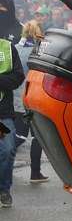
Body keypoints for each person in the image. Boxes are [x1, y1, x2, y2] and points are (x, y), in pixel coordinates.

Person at [15, 20, 48, 183]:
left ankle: (5, 165)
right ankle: (35, 173)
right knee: (36, 137)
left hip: (16, 99)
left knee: (18, 135)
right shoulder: (38, 52)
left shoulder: (15, 48)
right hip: (34, 99)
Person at [0, 36, 26, 207]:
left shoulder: (7, 47)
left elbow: (18, 77)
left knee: (8, 150)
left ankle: (4, 190)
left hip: (3, 113)